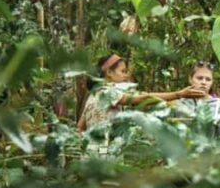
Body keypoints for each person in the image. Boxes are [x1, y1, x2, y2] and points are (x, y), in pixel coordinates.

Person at [77, 54, 206, 131]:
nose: (125, 76)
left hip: (91, 152)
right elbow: (142, 98)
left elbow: (80, 128)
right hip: (104, 151)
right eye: (122, 71)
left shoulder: (93, 95)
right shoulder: (107, 92)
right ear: (109, 73)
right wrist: (179, 94)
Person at [172, 61, 220, 136]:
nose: (204, 82)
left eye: (208, 79)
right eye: (199, 78)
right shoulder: (180, 103)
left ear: (212, 82)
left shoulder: (219, 106)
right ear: (190, 79)